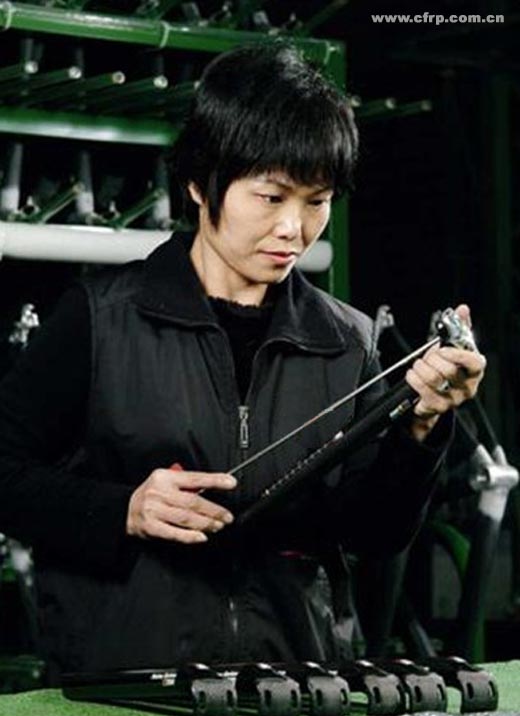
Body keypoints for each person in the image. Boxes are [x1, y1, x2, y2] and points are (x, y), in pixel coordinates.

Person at [0, 44, 485, 683]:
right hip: (124, 691)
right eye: (271, 196)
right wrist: (124, 510)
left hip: (294, 689)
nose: (294, 229)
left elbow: (375, 534)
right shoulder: (100, 319)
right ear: (200, 182)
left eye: (317, 201)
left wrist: (421, 425)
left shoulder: (347, 341)